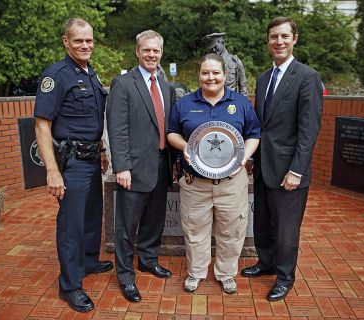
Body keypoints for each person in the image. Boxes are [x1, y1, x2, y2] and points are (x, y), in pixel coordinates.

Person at [241, 16, 323, 301]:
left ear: (294, 39)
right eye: (274, 37)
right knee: (263, 222)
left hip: (290, 171)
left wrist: (297, 170)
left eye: (284, 36)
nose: (279, 41)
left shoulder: (307, 77)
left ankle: (285, 277)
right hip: (264, 167)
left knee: (287, 230)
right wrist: (252, 158)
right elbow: (261, 126)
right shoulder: (264, 78)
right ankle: (266, 263)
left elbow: (308, 130)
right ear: (268, 41)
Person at [34, 18, 113, 313]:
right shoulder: (56, 75)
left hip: (92, 158)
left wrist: (102, 150)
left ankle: (89, 261)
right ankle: (69, 285)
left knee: (93, 216)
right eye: (78, 40)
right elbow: (42, 127)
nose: (85, 45)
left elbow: (92, 121)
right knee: (71, 224)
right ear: (66, 42)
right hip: (72, 163)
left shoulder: (90, 73)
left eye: (89, 40)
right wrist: (52, 170)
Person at [167, 53, 261, 294]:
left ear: (225, 75)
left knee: (231, 230)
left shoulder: (240, 103)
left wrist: (243, 156)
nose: (211, 78)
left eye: (216, 73)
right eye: (205, 73)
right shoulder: (184, 104)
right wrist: (184, 145)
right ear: (199, 76)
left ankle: (226, 273)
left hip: (231, 182)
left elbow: (254, 134)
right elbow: (171, 132)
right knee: (195, 230)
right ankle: (196, 272)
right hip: (195, 182)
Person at [106, 30, 175, 303]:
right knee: (127, 226)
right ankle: (125, 276)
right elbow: (117, 128)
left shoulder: (167, 87)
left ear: (161, 54)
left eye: (156, 51)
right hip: (132, 169)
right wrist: (121, 166)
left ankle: (148, 260)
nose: (151, 55)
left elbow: (169, 127)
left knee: (154, 220)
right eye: (146, 50)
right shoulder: (123, 84)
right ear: (137, 52)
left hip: (161, 164)